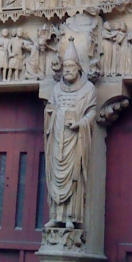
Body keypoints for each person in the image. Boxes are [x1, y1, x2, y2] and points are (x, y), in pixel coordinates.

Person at [43, 39, 97, 229]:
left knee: (74, 177)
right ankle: (56, 215)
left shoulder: (88, 89)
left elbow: (92, 112)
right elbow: (49, 108)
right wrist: (53, 113)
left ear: (78, 68)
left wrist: (80, 123)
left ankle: (70, 217)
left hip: (75, 141)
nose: (66, 70)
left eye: (70, 66)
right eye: (64, 67)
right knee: (56, 175)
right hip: (58, 138)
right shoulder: (57, 89)